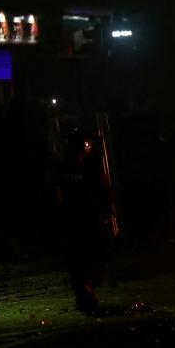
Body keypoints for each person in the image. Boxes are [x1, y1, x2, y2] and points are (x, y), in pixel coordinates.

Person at [57, 127, 115, 314]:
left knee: (83, 258)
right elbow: (99, 190)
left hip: (78, 220)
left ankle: (85, 292)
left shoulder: (72, 167)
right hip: (80, 220)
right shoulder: (78, 168)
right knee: (86, 258)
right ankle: (85, 293)